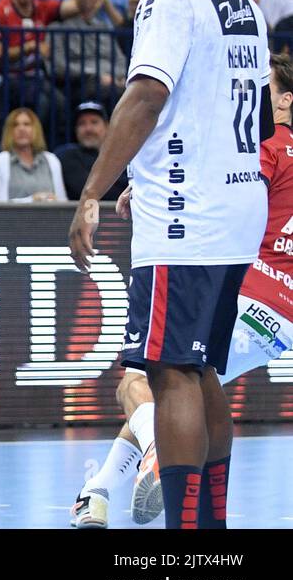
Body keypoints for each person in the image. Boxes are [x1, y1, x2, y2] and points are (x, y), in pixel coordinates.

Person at [68, 0, 272, 530]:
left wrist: (93, 190)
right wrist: (159, 167)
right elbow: (260, 116)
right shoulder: (243, 2)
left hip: (188, 217)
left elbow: (145, 97)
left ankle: (183, 546)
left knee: (169, 371)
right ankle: (210, 529)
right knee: (203, 365)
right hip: (238, 205)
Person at [71, 53, 293, 528]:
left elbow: (228, 193)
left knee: (143, 384)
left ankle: (154, 454)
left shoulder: (267, 144)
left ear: (286, 101)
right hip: (279, 319)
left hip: (245, 297)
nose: (251, 95)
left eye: (265, 88)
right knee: (181, 393)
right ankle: (98, 494)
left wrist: (146, 188)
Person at [0, 106, 68, 201]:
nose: (21, 129)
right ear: (9, 131)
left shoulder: (52, 160)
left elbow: (62, 200)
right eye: (15, 125)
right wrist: (31, 200)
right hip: (11, 216)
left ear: (36, 129)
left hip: (49, 215)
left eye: (27, 124)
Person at [59, 100, 128, 202]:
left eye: (94, 122)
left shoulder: (124, 155)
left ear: (107, 127)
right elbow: (84, 190)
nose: (88, 129)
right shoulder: (67, 155)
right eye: (82, 123)